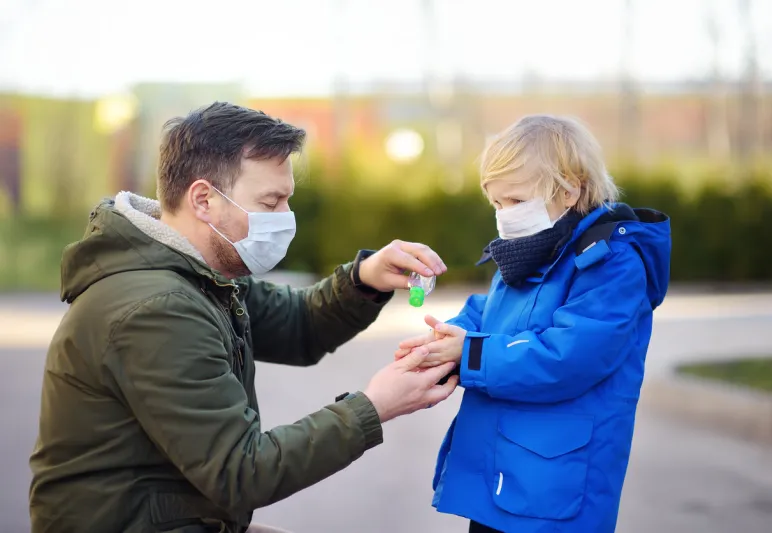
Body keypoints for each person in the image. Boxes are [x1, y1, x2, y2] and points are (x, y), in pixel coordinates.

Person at [28, 102, 459, 533]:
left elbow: (298, 327)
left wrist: (366, 278)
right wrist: (374, 407)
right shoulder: (158, 308)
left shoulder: (197, 271)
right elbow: (242, 471)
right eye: (271, 202)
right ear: (204, 200)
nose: (285, 219)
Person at [396, 115, 671, 533]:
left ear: (569, 188)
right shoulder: (532, 249)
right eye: (497, 203)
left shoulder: (612, 264)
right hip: (505, 472)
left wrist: (468, 352)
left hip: (552, 483)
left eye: (517, 201)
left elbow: (569, 356)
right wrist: (443, 337)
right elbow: (491, 313)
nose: (505, 215)